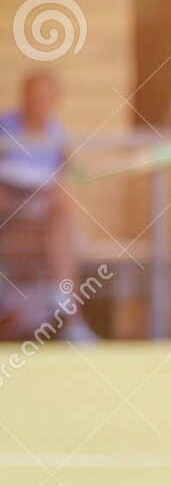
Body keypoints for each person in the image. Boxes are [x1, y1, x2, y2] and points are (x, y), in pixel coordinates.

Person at [0, 70, 95, 342]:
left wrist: (56, 193)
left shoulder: (57, 135)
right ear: (24, 97)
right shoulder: (4, 128)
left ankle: (67, 308)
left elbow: (66, 180)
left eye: (46, 98)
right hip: (8, 216)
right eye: (35, 97)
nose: (40, 103)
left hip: (42, 216)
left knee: (61, 218)